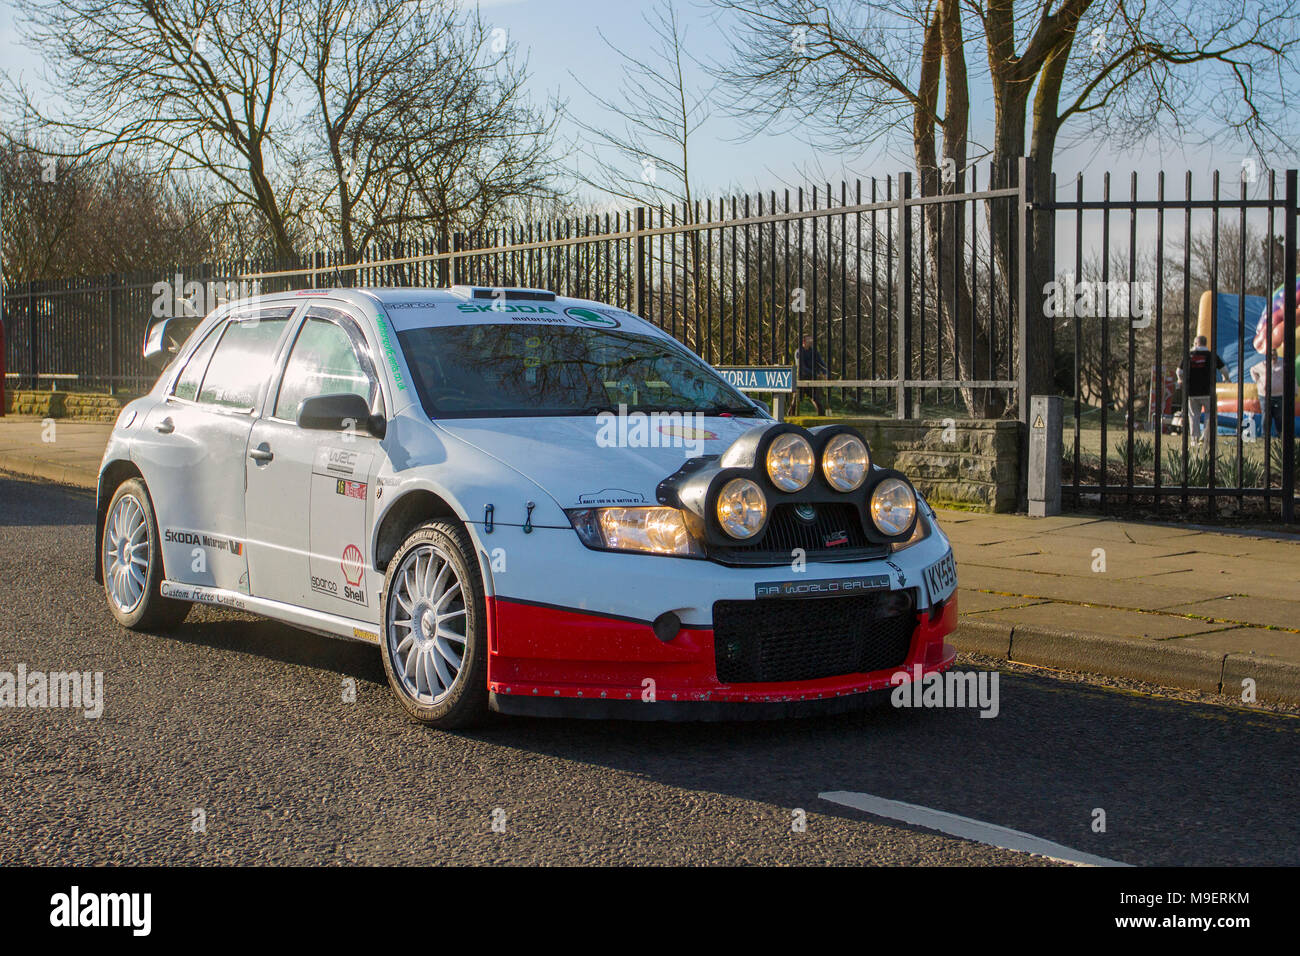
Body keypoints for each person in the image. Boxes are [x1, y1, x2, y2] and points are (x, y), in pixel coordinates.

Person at [1178, 336, 1225, 444]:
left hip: (1191, 392)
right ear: (1205, 343)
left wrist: (1180, 380)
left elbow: (1179, 371)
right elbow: (1224, 369)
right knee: (1209, 413)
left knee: (1194, 415)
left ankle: (1194, 439)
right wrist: (1225, 378)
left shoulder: (1189, 355)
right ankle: (1206, 436)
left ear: (1195, 343)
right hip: (1207, 391)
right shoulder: (1211, 355)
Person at [1250, 350, 1288, 437]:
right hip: (1264, 395)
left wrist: (1295, 390)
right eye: (1272, 355)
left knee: (1279, 416)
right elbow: (1252, 369)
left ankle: (1280, 434)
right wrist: (1256, 380)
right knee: (1266, 415)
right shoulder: (1262, 365)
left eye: (1275, 355)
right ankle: (1265, 435)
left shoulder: (1282, 364)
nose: (1274, 357)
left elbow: (1291, 376)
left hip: (1279, 395)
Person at [795, 334, 828, 415]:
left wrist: (825, 373)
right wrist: (815, 374)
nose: (811, 342)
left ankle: (821, 416)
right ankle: (790, 416)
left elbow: (821, 363)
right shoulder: (798, 352)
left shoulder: (814, 351)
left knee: (816, 399)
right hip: (801, 379)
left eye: (811, 340)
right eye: (809, 340)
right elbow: (801, 367)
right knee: (795, 401)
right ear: (804, 341)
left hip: (812, 380)